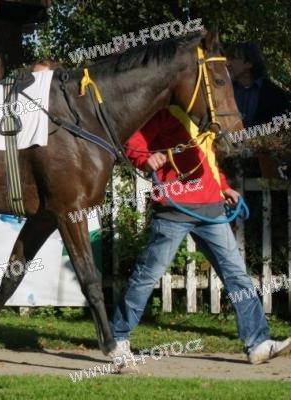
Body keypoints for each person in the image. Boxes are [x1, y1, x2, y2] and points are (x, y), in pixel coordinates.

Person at [108, 107, 291, 370]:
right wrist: (145, 160)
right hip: (173, 211)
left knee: (237, 276)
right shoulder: (164, 113)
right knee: (147, 276)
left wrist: (223, 187)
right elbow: (133, 143)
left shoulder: (205, 118)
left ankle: (258, 343)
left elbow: (208, 160)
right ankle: (118, 338)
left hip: (212, 209)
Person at [227, 42, 291, 128]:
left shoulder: (273, 94)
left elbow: (280, 126)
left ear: (249, 63)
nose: (228, 63)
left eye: (233, 58)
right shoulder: (225, 91)